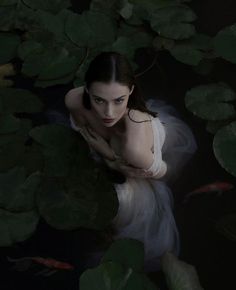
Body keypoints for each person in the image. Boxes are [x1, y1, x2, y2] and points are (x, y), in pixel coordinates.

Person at [65, 51, 197, 271]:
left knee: (121, 205)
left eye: (119, 100)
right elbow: (83, 129)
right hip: (118, 154)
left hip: (142, 163)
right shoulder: (74, 100)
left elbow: (165, 172)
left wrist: (114, 160)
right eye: (98, 100)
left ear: (131, 92)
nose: (108, 112)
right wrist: (105, 152)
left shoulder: (133, 146)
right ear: (87, 90)